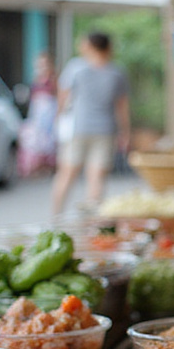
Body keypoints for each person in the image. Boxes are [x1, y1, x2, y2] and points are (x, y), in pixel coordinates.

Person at [51, 32, 130, 214]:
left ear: (90, 46)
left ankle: (56, 217)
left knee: (66, 174)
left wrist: (57, 119)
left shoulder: (76, 68)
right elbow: (122, 107)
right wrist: (125, 132)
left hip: (78, 129)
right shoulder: (117, 72)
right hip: (106, 130)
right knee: (96, 179)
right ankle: (91, 223)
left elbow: (63, 97)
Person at [17, 51, 58, 177]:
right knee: (36, 139)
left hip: (49, 110)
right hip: (38, 110)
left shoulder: (53, 78)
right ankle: (37, 167)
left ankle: (48, 166)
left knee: (48, 139)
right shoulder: (37, 78)